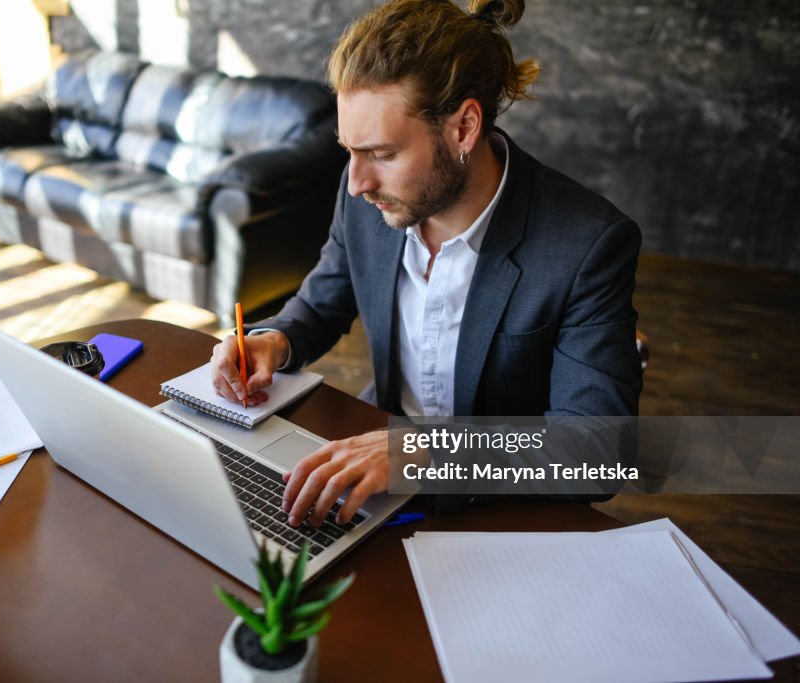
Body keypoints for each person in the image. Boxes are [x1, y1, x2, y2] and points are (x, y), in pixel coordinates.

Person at [210, 0, 642, 528]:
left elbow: (595, 452)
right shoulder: (368, 197)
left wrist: (425, 452)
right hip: (376, 473)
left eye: (383, 154)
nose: (357, 183)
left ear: (463, 128)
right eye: (350, 150)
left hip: (501, 507)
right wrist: (275, 340)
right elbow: (323, 301)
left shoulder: (587, 244)